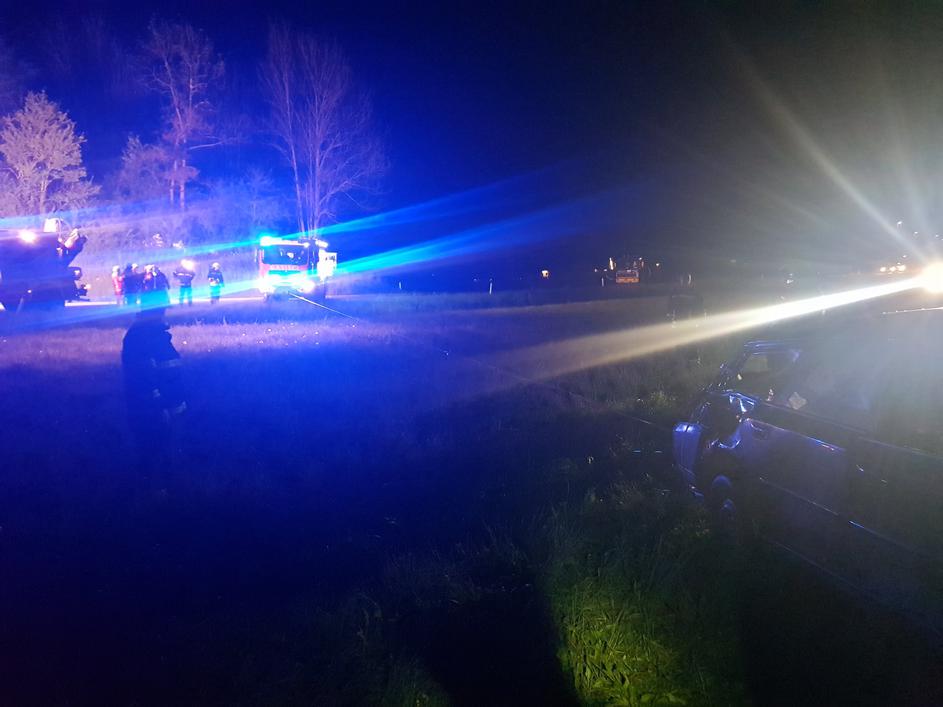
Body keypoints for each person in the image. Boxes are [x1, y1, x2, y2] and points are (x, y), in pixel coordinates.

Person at [121, 307, 186, 489]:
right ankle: (154, 490)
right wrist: (160, 407)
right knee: (153, 451)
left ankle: (161, 488)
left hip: (164, 407)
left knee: (163, 450)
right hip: (152, 410)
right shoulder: (143, 337)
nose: (163, 315)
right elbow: (144, 378)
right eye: (161, 311)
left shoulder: (152, 335)